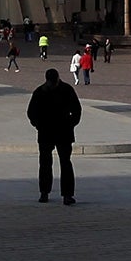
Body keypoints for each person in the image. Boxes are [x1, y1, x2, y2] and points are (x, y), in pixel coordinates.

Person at [28, 68, 82, 205]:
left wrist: (70, 124)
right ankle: (45, 192)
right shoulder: (41, 91)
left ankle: (66, 195)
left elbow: (76, 110)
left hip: (61, 132)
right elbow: (31, 112)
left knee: (64, 163)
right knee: (46, 163)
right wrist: (38, 125)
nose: (52, 84)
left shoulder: (63, 90)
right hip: (48, 131)